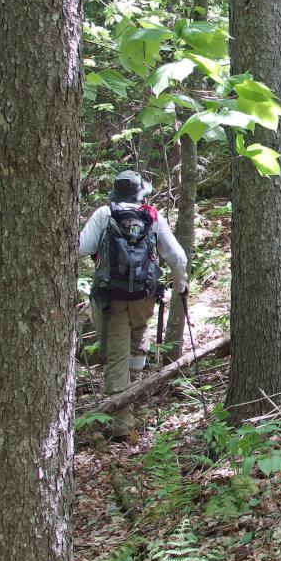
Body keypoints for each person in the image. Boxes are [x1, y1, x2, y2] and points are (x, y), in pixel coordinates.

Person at [79, 169, 189, 442]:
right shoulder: (152, 215)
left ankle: (123, 426)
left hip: (111, 297)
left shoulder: (105, 214)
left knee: (116, 356)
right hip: (143, 296)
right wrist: (181, 284)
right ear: (140, 193)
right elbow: (176, 256)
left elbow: (80, 247)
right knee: (137, 344)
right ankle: (130, 403)